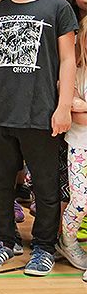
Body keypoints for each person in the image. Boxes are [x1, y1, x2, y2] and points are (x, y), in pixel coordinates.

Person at [0, 0, 78, 276]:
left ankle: (45, 247)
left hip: (41, 112)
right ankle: (4, 241)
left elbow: (67, 60)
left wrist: (63, 107)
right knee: (0, 183)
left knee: (45, 186)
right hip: (0, 111)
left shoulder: (57, 8)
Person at [61, 16, 87, 274]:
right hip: (80, 146)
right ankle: (67, 241)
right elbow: (76, 113)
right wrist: (77, 107)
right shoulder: (76, 74)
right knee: (80, 202)